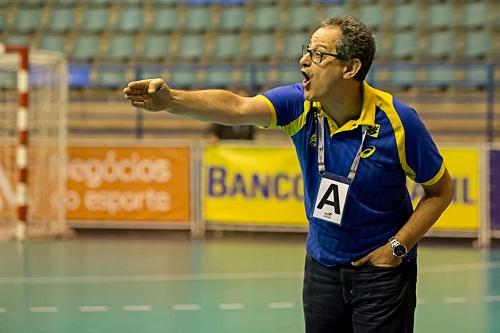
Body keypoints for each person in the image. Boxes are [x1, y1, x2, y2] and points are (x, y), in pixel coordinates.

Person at [124, 16, 453, 333]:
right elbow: (237, 107)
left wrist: (397, 247)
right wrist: (171, 99)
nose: (304, 61)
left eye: (319, 55)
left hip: (381, 275)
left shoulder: (398, 121)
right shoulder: (300, 104)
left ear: (350, 68)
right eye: (308, 50)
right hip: (321, 270)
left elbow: (440, 191)